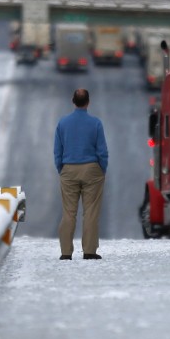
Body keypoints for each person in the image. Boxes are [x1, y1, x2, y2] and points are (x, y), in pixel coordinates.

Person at [53, 88, 109, 260]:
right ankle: (89, 251)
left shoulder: (63, 123)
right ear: (88, 102)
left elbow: (57, 151)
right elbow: (102, 151)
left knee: (69, 212)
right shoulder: (96, 123)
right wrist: (102, 168)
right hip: (92, 169)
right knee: (90, 211)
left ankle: (66, 252)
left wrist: (61, 169)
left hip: (69, 168)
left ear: (73, 101)